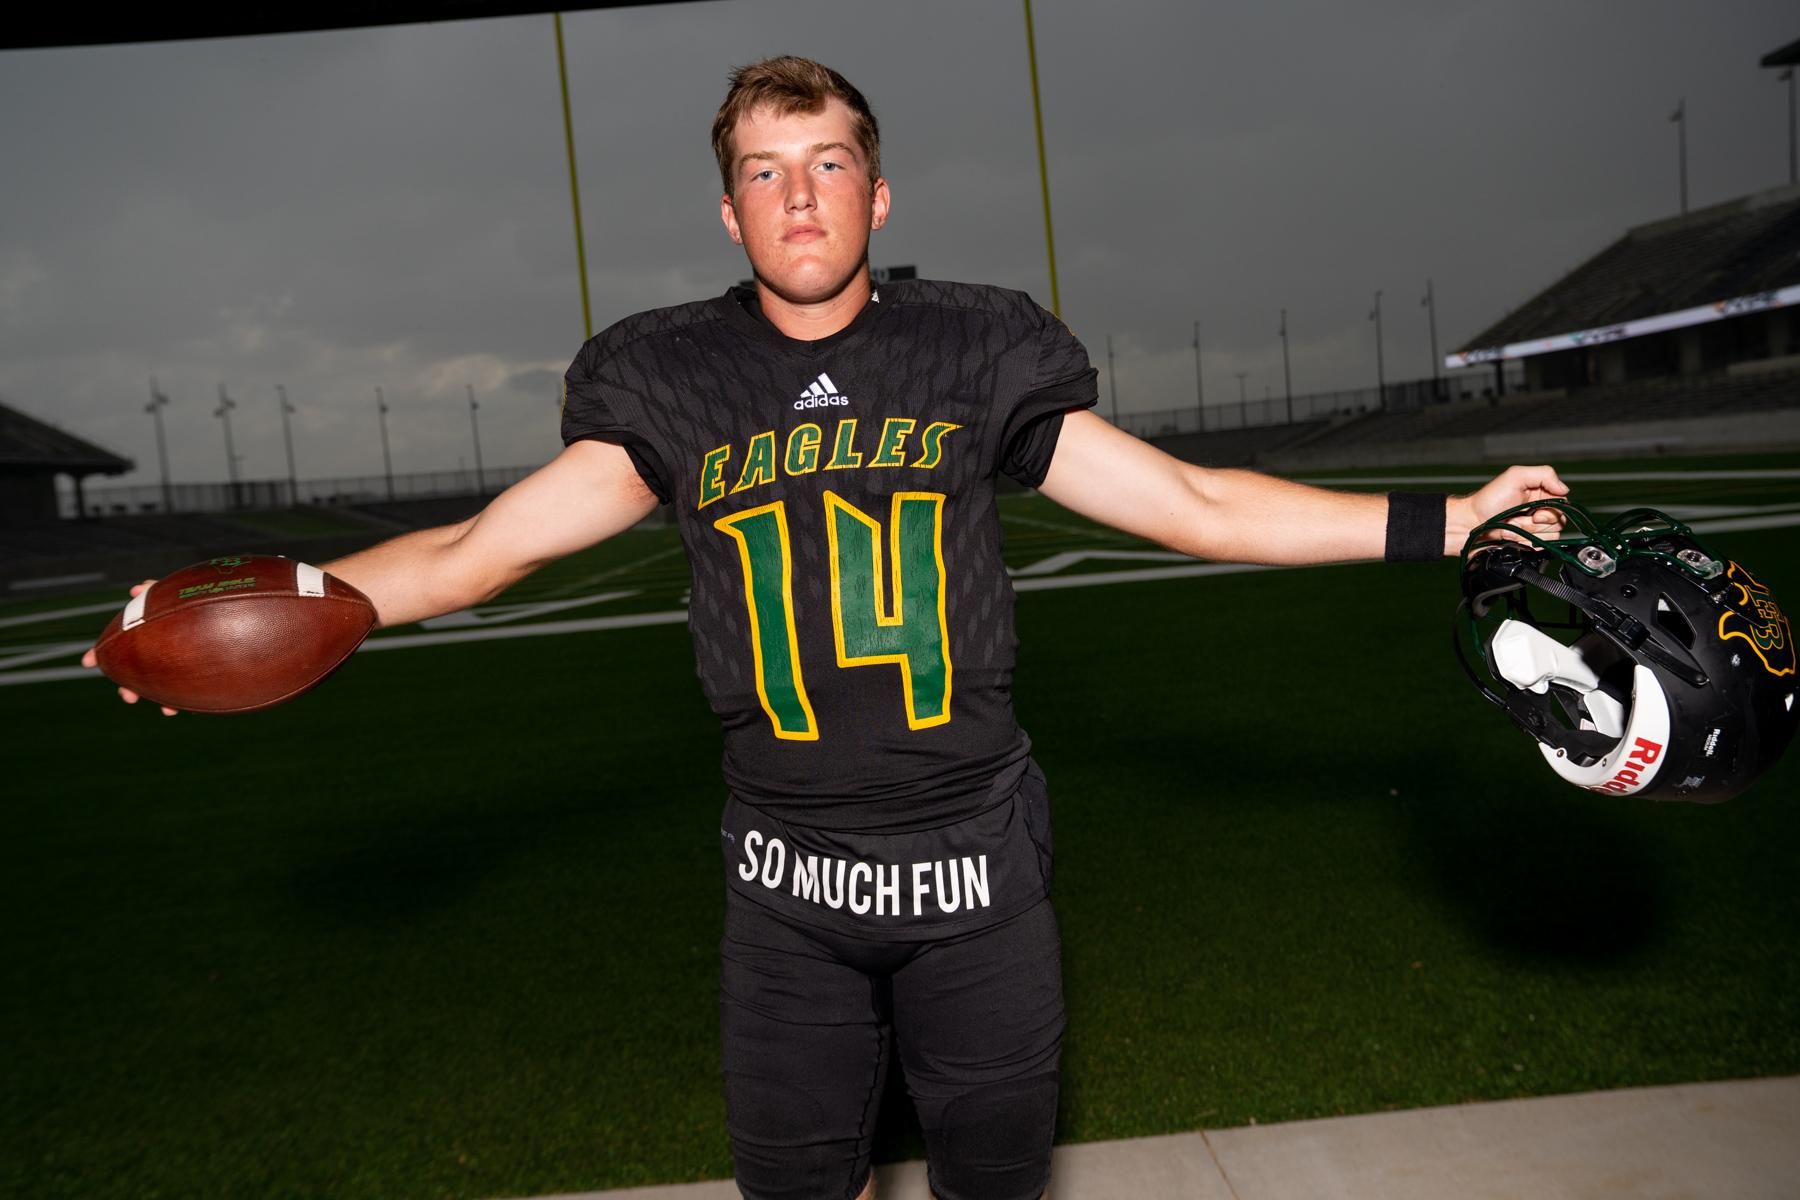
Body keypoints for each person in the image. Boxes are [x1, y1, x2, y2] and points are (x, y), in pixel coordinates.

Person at [88, 56, 1567, 1200]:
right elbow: (474, 555)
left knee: (997, 1182)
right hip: (786, 890)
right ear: (729, 213)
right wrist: (269, 610)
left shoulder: (971, 349)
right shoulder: (671, 384)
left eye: (830, 164)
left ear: (877, 195)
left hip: (978, 872)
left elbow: (1192, 503)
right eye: (765, 172)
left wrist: (1455, 519)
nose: (800, 197)